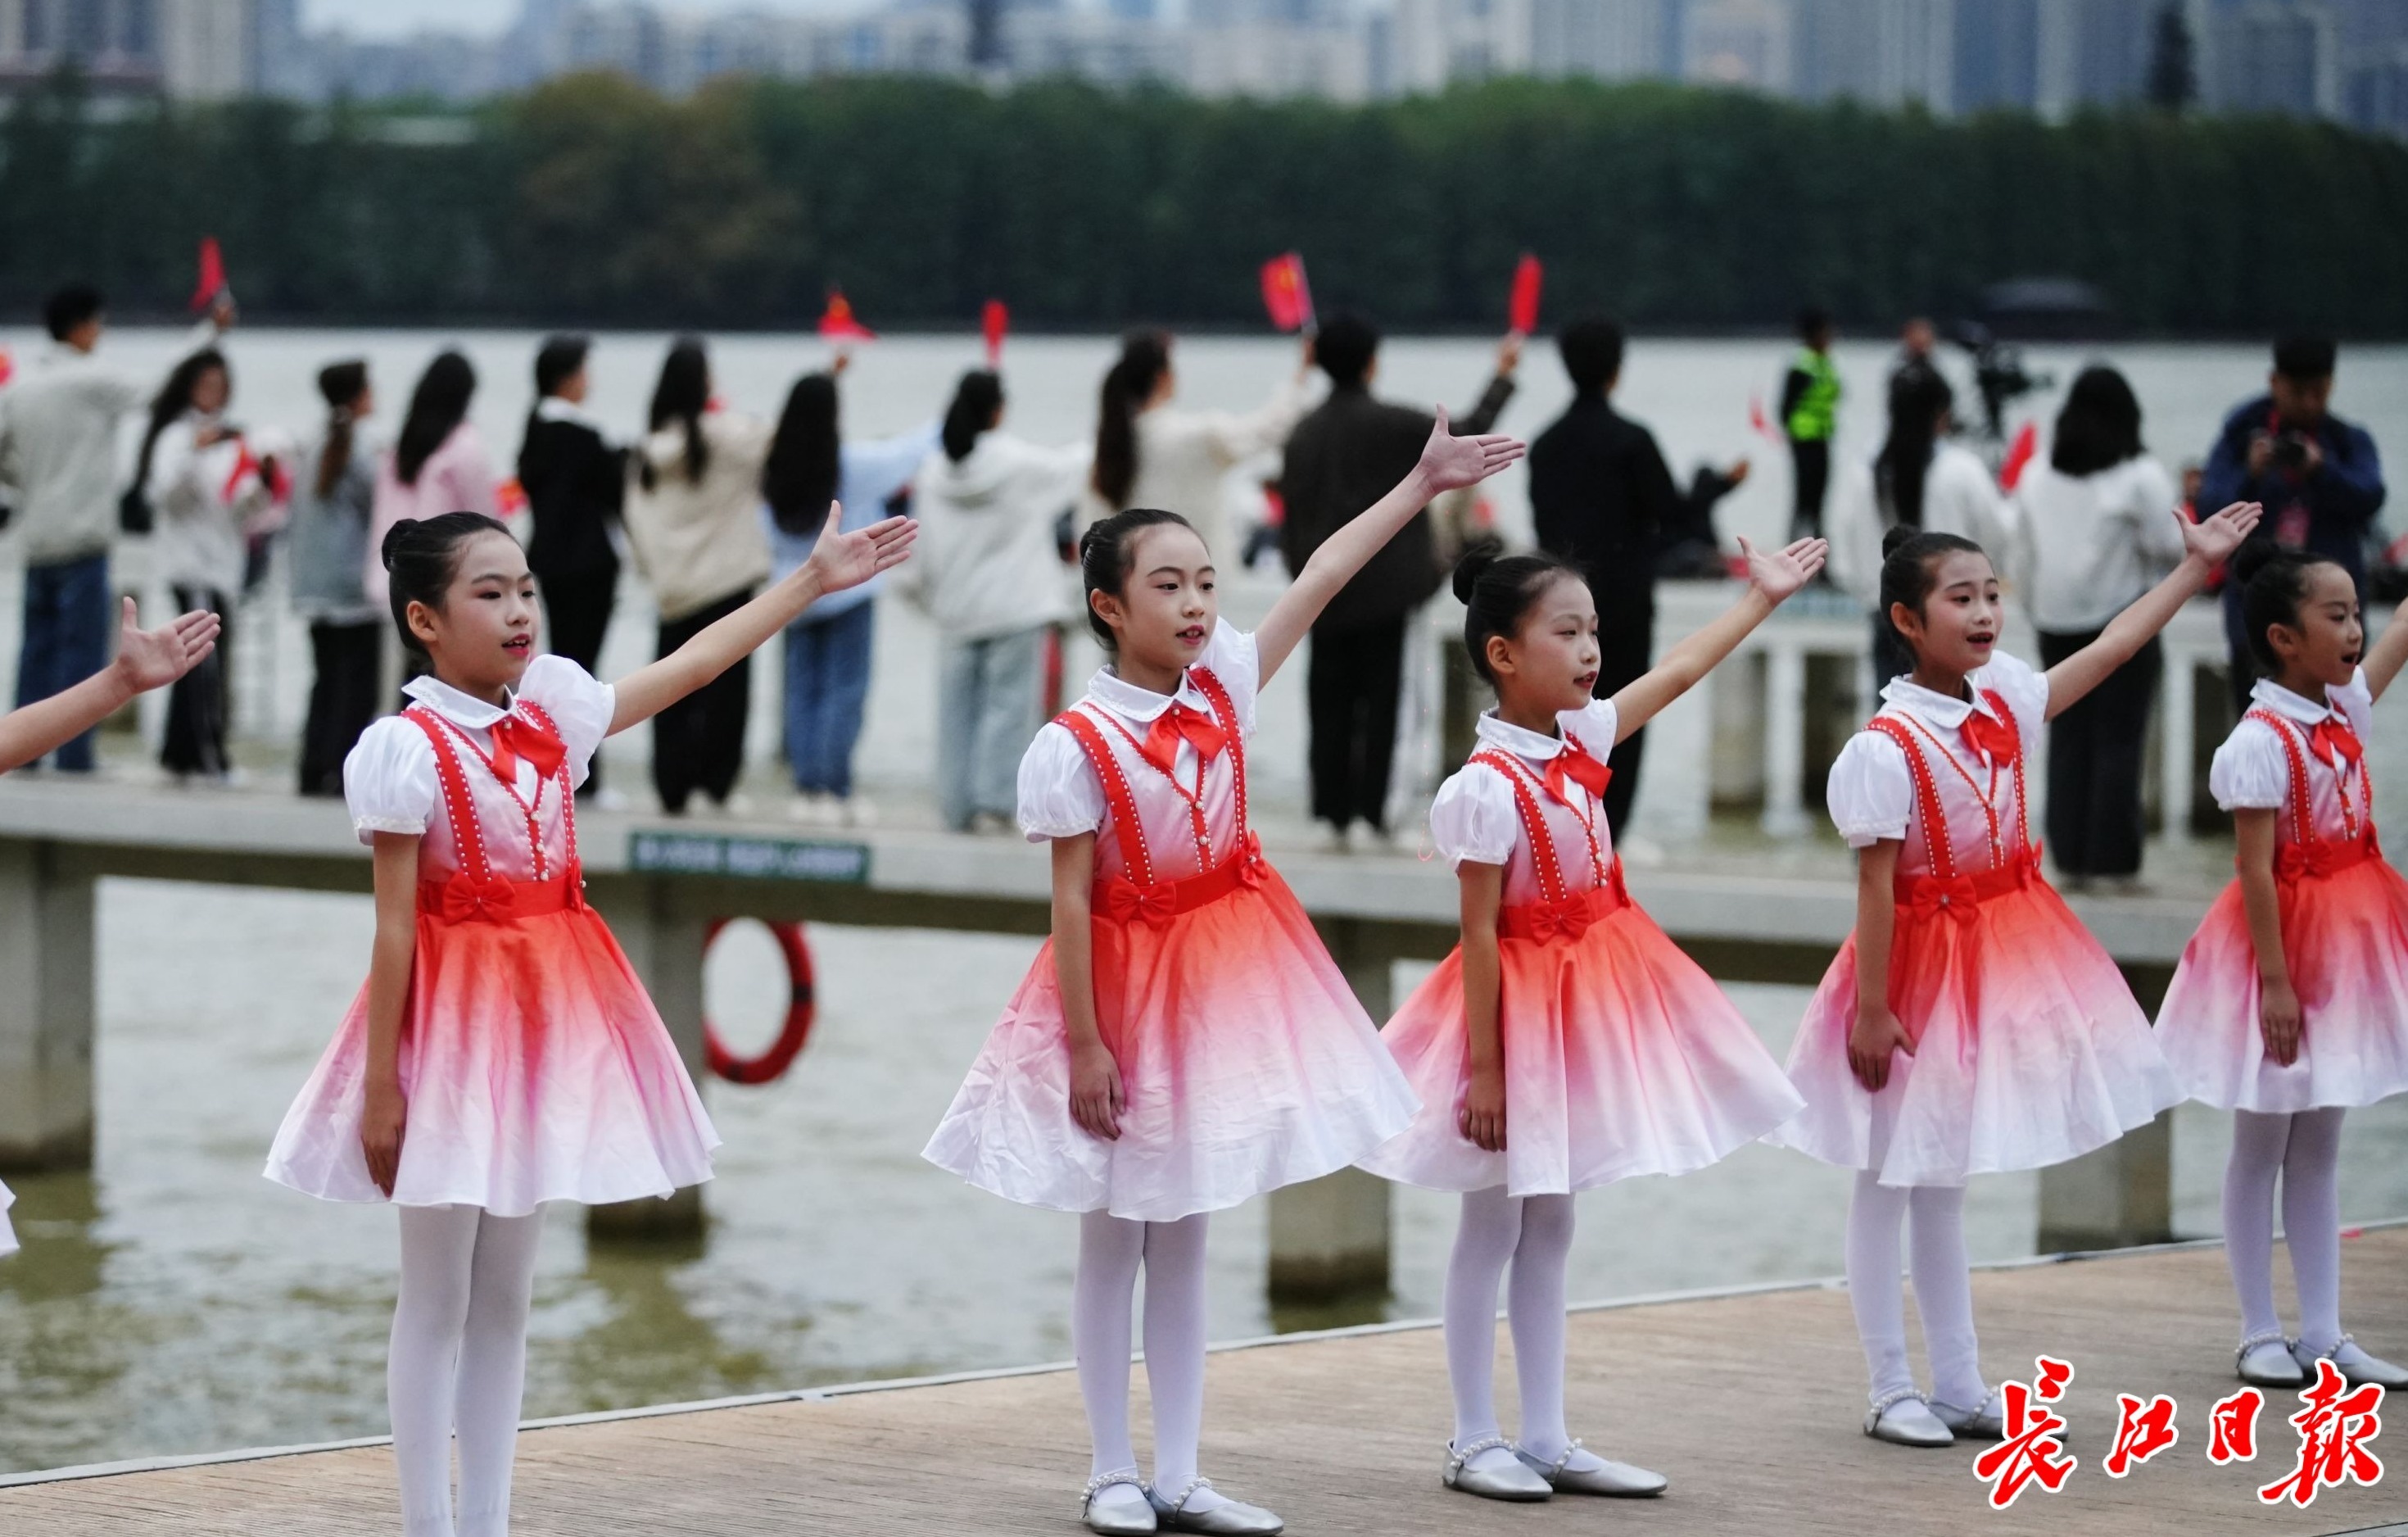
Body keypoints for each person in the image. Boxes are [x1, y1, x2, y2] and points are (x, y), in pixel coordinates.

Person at [923, 411, 1520, 1537]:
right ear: (1109, 606)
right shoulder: (1075, 743)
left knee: (1189, 1226)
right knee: (1115, 1232)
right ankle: (1111, 1470)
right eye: (1168, 586)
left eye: (1204, 581)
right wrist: (1085, 1045)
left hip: (1224, 981)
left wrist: (1419, 486)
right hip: (1119, 993)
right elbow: (1068, 903)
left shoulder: (1225, 685)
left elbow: (1323, 574)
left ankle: (1184, 1473)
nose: (1197, 604)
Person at [264, 505, 914, 1537]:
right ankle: (428, 1525)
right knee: (434, 1296)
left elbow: (693, 665)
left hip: (545, 1018)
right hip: (451, 1033)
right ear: (425, 620)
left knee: (507, 1295)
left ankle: (488, 1519)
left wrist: (809, 583)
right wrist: (382, 1085)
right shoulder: (405, 748)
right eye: (490, 594)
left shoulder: (552, 713)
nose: (519, 610)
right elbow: (393, 930)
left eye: (525, 589)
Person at [1772, 504, 2260, 1449]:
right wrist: (1871, 1009)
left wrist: (2192, 569)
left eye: (1993, 595)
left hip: (2001, 952)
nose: (1985, 612)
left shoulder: (2004, 697)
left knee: (1944, 1177)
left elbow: (2113, 647)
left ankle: (1959, 1383)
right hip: (1909, 972)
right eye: (1961, 598)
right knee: (1885, 1178)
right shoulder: (1884, 748)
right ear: (1907, 620)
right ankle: (1889, 1385)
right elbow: (1874, 889)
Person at [1361, 537, 1825, 1503]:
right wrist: (1486, 1069)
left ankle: (1545, 1434)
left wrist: (1764, 598)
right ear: (1503, 654)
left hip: (1588, 998)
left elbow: (1682, 670)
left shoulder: (1584, 739)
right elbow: (1478, 934)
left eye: (1594, 632)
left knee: (1555, 1214)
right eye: (1566, 633)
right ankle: (1472, 1437)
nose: (1590, 650)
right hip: (1512, 1017)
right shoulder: (1483, 787)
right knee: (1491, 1219)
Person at [2156, 543, 2408, 1392]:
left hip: (2350, 944)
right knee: (2261, 1138)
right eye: (2336, 616)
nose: (2355, 629)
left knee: (2322, 1141)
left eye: (2356, 613)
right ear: (2282, 637)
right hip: (2279, 953)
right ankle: (2259, 1329)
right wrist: (2274, 983)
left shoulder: (2342, 710)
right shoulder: (2259, 743)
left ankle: (2326, 1333)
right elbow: (2256, 871)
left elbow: (2397, 640)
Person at [1279, 313, 1519, 849]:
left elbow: (1289, 518)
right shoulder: (1393, 424)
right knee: (1384, 704)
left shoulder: (1303, 434)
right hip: (1387, 590)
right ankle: (1374, 816)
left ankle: (1329, 816)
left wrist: (1300, 579)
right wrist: (1503, 374)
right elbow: (1466, 430)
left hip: (1322, 592)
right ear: (1371, 363)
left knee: (1328, 704)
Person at [0, 282, 229, 771]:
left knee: (35, 649)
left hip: (36, 535)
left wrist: (23, 483)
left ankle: (22, 756)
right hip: (83, 535)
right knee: (82, 652)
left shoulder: (19, 388)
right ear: (83, 327)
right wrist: (209, 331)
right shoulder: (92, 379)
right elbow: (163, 383)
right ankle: (74, 757)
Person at [2012, 365, 2186, 891]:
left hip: (2053, 621)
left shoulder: (2036, 473)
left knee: (2066, 740)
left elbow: (2022, 551)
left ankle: (2068, 861)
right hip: (2121, 623)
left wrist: (2035, 607)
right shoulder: (2140, 475)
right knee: (2119, 741)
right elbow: (2171, 545)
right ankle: (2114, 864)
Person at [897, 370, 1088, 832]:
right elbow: (1074, 468)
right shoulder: (1015, 462)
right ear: (999, 411)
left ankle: (955, 808)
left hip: (956, 609)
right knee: (1009, 711)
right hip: (1017, 607)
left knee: (955, 714)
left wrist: (926, 599)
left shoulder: (933, 470)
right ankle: (997, 807)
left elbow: (922, 547)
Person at [762, 364, 937, 826]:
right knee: (844, 691)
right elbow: (909, 453)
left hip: (793, 593)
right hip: (848, 592)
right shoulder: (850, 466)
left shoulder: (774, 469)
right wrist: (951, 413)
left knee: (801, 690)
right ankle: (834, 788)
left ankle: (805, 787)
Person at [1527, 315, 1680, 837]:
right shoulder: (1632, 441)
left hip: (1559, 608)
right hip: (1625, 603)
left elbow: (1544, 528)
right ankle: (1611, 831)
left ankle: (1565, 823)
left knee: (1563, 716)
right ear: (1616, 369)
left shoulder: (1545, 445)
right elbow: (1671, 516)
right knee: (1623, 718)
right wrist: (1715, 488)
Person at [622, 338, 776, 816]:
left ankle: (671, 788)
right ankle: (717, 786)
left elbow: (635, 520)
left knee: (668, 690)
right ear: (705, 381)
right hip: (727, 583)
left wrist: (656, 572)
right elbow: (772, 438)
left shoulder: (648, 451)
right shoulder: (727, 437)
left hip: (674, 589)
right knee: (728, 694)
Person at [2202, 337, 2387, 710]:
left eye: (2318, 392)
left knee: (2340, 724)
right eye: (2298, 392)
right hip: (2256, 615)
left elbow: (2370, 497)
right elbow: (2210, 508)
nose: (2309, 404)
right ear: (2275, 383)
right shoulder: (2241, 437)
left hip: (2332, 617)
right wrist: (2250, 475)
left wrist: (2321, 470)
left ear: (2330, 386)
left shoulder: (2344, 441)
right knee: (2257, 722)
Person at [137, 348, 274, 782]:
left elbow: (246, 503)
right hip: (190, 566)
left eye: (220, 385)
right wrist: (194, 452)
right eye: (205, 385)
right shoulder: (175, 436)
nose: (213, 393)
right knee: (203, 665)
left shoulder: (233, 440)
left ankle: (177, 755)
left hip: (223, 567)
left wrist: (263, 481)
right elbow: (162, 495)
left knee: (197, 662)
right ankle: (210, 759)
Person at [1836, 368, 2016, 688]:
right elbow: (1998, 536)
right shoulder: (1961, 470)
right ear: (1943, 414)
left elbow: (1844, 543)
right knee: (1952, 710)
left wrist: (1866, 591)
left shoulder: (1865, 470)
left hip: (1887, 613)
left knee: (1893, 709)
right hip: (1952, 618)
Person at [1086, 329, 1315, 560]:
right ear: (1163, 378)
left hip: (1136, 579)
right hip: (1198, 577)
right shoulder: (1196, 438)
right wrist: (1302, 374)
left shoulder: (1105, 451)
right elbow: (1267, 430)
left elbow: (1091, 540)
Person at [516, 336, 625, 799]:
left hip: (548, 562)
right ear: (567, 378)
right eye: (583, 371)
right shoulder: (585, 435)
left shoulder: (534, 430)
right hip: (591, 564)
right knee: (585, 672)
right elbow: (616, 496)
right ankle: (586, 779)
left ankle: (558, 769)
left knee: (561, 662)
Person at [287, 360, 382, 796]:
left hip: (314, 583)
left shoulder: (313, 443)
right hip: (352, 584)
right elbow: (378, 504)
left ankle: (313, 768)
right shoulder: (360, 447)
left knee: (325, 679)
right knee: (358, 685)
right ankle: (345, 772)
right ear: (359, 395)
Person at [369, 351, 500, 610]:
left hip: (394, 581)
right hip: (448, 583)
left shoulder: (402, 449)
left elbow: (382, 516)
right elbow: (485, 522)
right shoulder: (464, 447)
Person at [1781, 306, 1841, 542]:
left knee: (1819, 498)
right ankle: (1794, 544)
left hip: (1822, 437)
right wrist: (1791, 433)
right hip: (1803, 440)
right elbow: (1785, 407)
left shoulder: (1825, 363)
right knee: (1804, 496)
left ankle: (1818, 546)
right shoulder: (1801, 366)